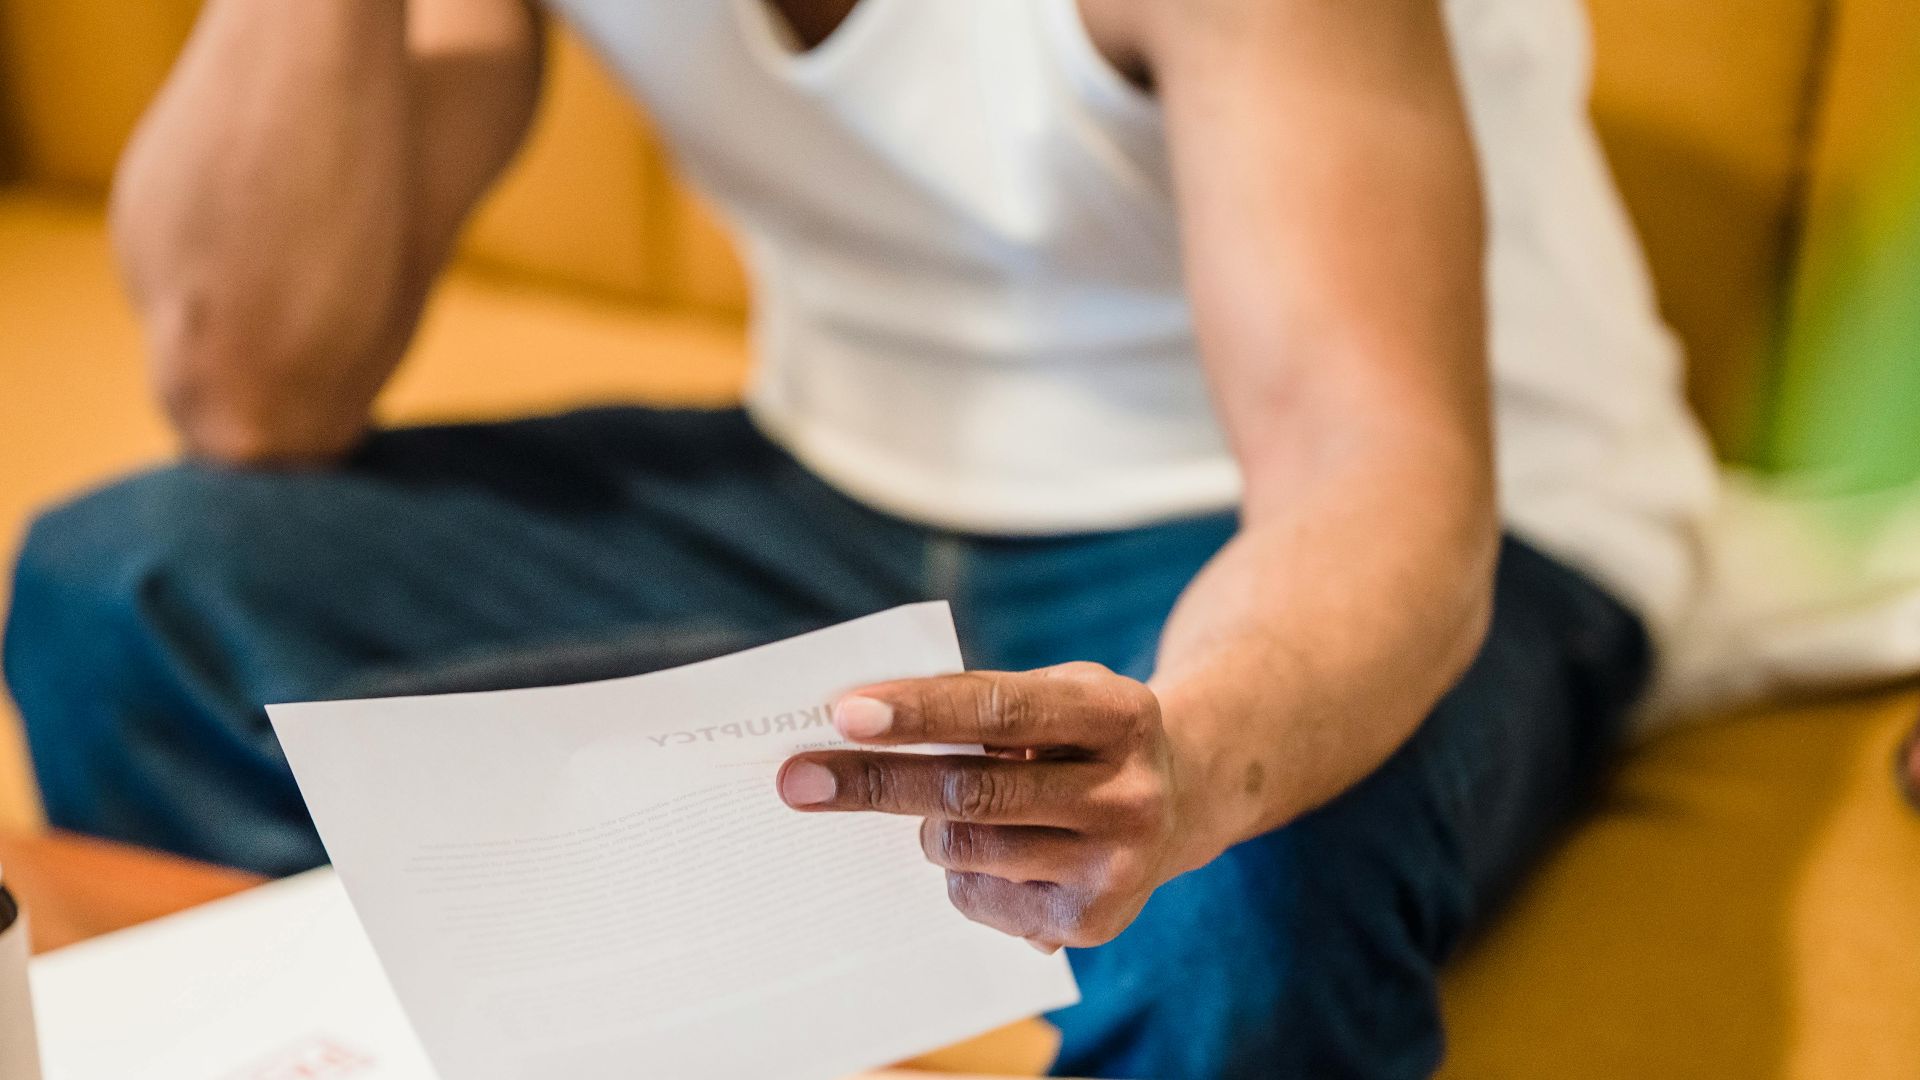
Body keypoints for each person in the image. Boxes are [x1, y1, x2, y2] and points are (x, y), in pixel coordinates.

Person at [2, 0, 1717, 1076]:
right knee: (124, 596)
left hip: (1353, 535)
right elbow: (248, 386)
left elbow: (1377, 458)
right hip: (855, 486)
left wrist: (1191, 764)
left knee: (1235, 891)